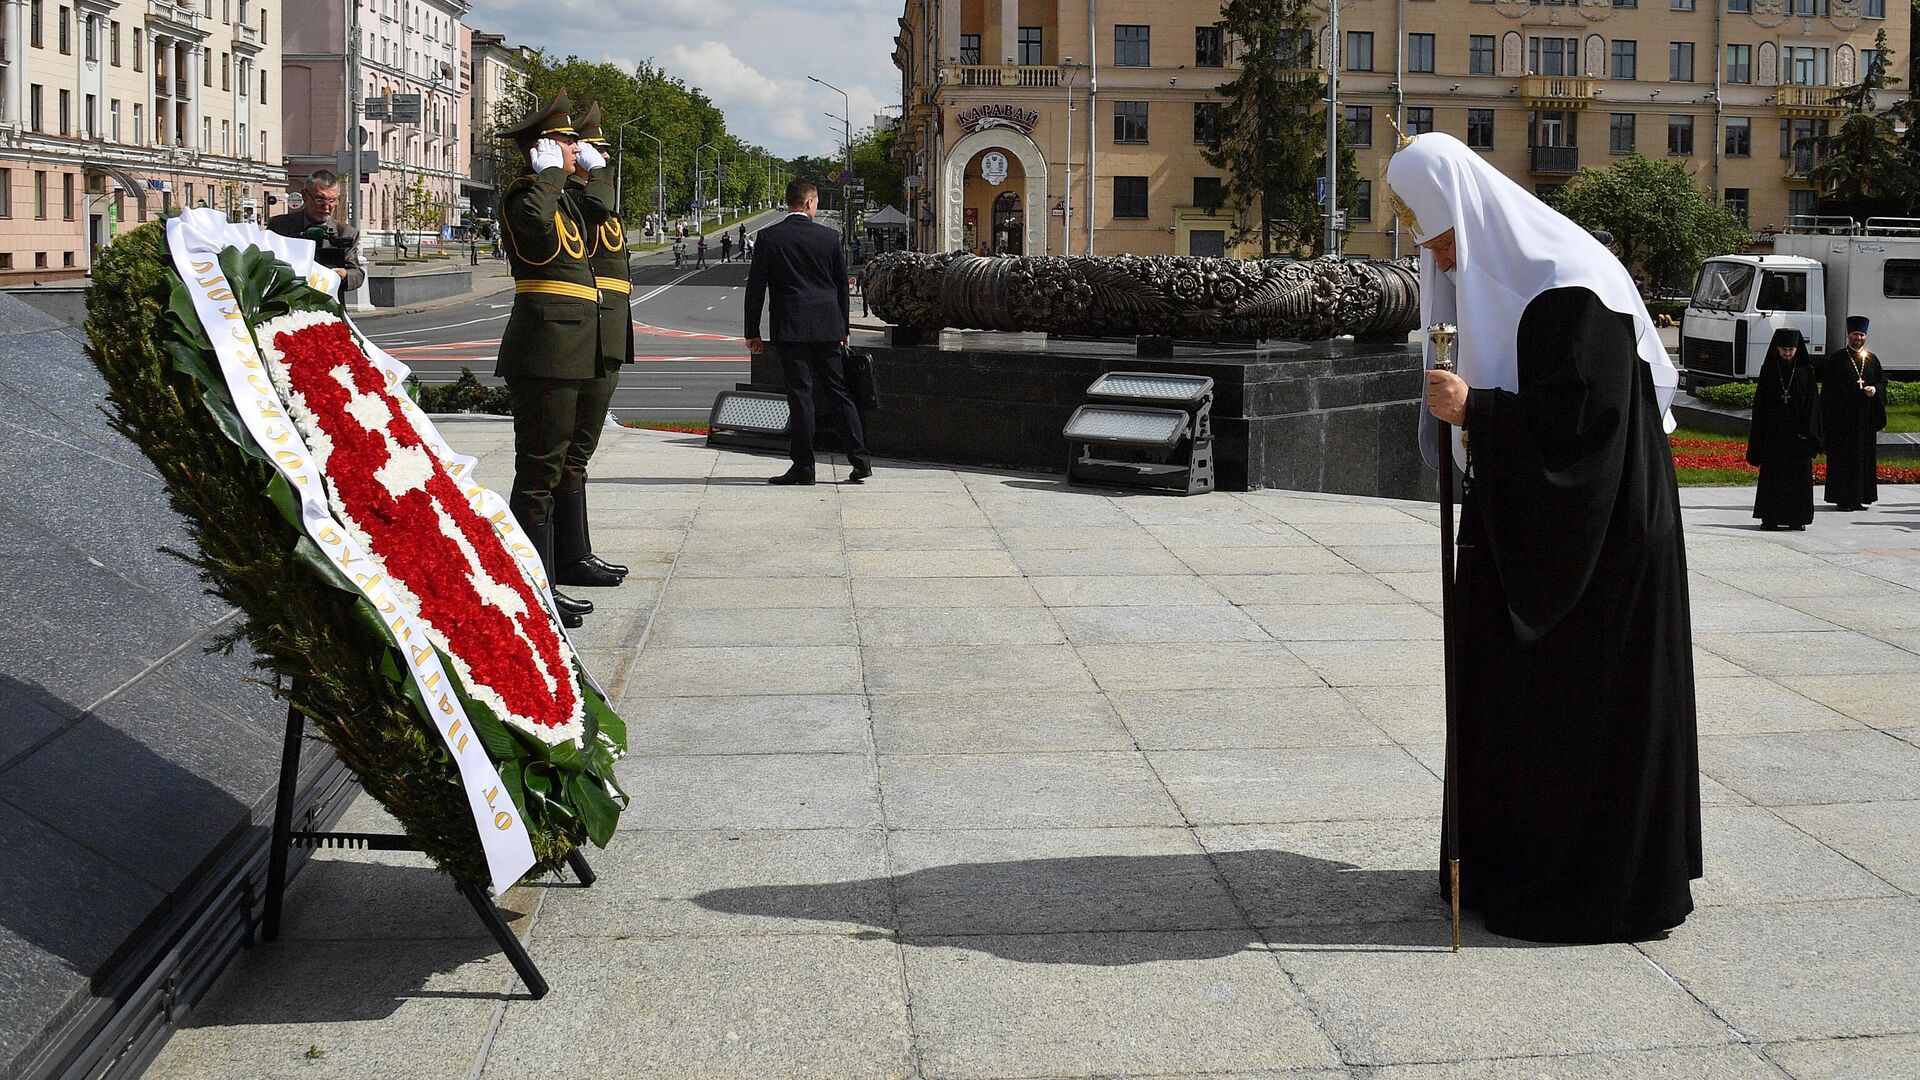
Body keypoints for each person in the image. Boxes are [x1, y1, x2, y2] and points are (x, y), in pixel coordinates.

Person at [1387, 131, 1700, 944]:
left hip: (1601, 546)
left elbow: (1584, 438)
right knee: (1506, 691)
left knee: (1574, 712)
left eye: (1449, 242)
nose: (1446, 263)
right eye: (1432, 250)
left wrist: (1478, 414)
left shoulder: (1568, 283)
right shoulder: (1513, 277)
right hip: (1536, 525)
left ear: (1476, 217)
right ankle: (1500, 862)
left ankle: (1584, 885)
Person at [493, 90, 602, 629]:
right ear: (541, 149)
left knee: (554, 465)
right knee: (538, 470)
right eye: (565, 141)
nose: (573, 147)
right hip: (545, 348)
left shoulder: (558, 196)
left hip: (571, 346)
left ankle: (551, 577)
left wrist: (581, 174)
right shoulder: (525, 196)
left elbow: (601, 208)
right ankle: (534, 588)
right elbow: (535, 228)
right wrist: (549, 176)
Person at [550, 102, 632, 591]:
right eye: (594, 151)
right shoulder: (574, 197)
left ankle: (575, 553)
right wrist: (589, 174)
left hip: (607, 331)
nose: (603, 159)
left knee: (579, 452)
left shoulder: (586, 194)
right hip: (587, 330)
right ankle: (563, 559)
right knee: (567, 454)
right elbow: (600, 207)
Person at [745, 178, 873, 486]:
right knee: (838, 392)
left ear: (791, 203)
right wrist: (844, 327)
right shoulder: (830, 238)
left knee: (800, 397)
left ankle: (804, 467)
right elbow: (842, 286)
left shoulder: (769, 238)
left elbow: (755, 288)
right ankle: (861, 461)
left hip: (789, 329)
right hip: (829, 328)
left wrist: (752, 332)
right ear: (809, 203)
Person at [1748, 328, 1822, 530]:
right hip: (1775, 436)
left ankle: (1797, 519)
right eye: (1783, 349)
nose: (1787, 353)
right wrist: (1763, 432)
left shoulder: (1806, 370)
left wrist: (1808, 430)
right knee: (1773, 478)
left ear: (1797, 349)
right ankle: (1770, 517)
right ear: (1777, 349)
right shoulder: (1769, 369)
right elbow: (1760, 404)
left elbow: (1813, 403)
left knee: (1798, 480)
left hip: (1799, 437)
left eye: (1791, 350)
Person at [1820, 315, 1886, 512]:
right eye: (1856, 334)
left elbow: (1882, 382)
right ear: (1848, 335)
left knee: (1862, 458)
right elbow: (1829, 391)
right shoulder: (1837, 359)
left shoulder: (1872, 359)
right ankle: (1843, 498)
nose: (1859, 338)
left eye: (1862, 334)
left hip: (1865, 420)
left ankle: (1861, 497)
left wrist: (1875, 390)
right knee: (1844, 459)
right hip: (1843, 420)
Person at [266, 170, 365, 293]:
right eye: (320, 199)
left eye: (332, 200)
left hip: (328, 305)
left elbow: (357, 274)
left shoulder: (346, 233)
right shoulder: (279, 227)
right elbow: (263, 265)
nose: (326, 206)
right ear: (304, 195)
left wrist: (343, 274)